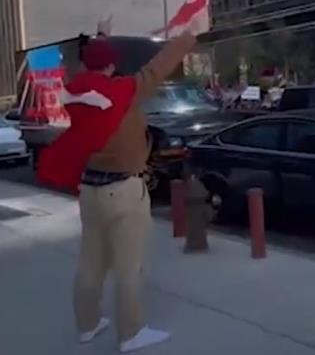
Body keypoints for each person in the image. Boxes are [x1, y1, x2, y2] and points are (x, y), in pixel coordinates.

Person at [37, 29, 196, 353]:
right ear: (111, 67)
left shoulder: (75, 93)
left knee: (90, 263)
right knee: (128, 267)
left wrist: (101, 39)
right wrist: (187, 36)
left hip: (90, 190)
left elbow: (91, 68)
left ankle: (88, 324)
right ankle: (131, 333)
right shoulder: (124, 93)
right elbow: (157, 67)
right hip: (123, 190)